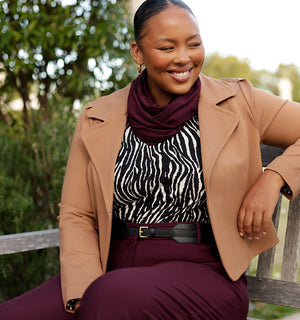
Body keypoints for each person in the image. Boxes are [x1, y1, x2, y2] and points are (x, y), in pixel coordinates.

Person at [1, 0, 300, 319]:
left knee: (111, 296)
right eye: (167, 47)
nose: (184, 58)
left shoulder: (240, 101)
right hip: (106, 271)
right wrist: (82, 293)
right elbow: (77, 213)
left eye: (194, 44)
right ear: (138, 53)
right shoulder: (97, 116)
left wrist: (273, 179)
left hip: (205, 274)